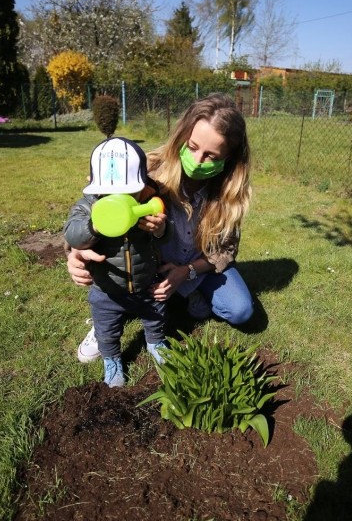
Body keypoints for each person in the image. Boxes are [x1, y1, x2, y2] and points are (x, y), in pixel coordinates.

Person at [68, 93, 254, 358]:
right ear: (182, 136)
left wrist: (186, 272)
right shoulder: (146, 172)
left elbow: (225, 250)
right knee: (121, 284)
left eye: (211, 156)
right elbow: (99, 211)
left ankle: (182, 292)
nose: (198, 161)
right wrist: (75, 252)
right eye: (192, 147)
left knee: (241, 310)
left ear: (229, 160)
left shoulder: (230, 193)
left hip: (198, 265)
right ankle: (107, 321)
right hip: (148, 265)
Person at [63, 137, 168, 387]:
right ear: (93, 184)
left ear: (142, 184)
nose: (119, 198)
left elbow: (166, 237)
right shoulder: (87, 207)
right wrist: (97, 225)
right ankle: (111, 360)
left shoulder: (147, 203)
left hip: (145, 283)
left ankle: (156, 343)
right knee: (106, 330)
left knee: (155, 317)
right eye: (109, 192)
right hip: (106, 289)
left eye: (128, 191)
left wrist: (160, 228)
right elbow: (72, 233)